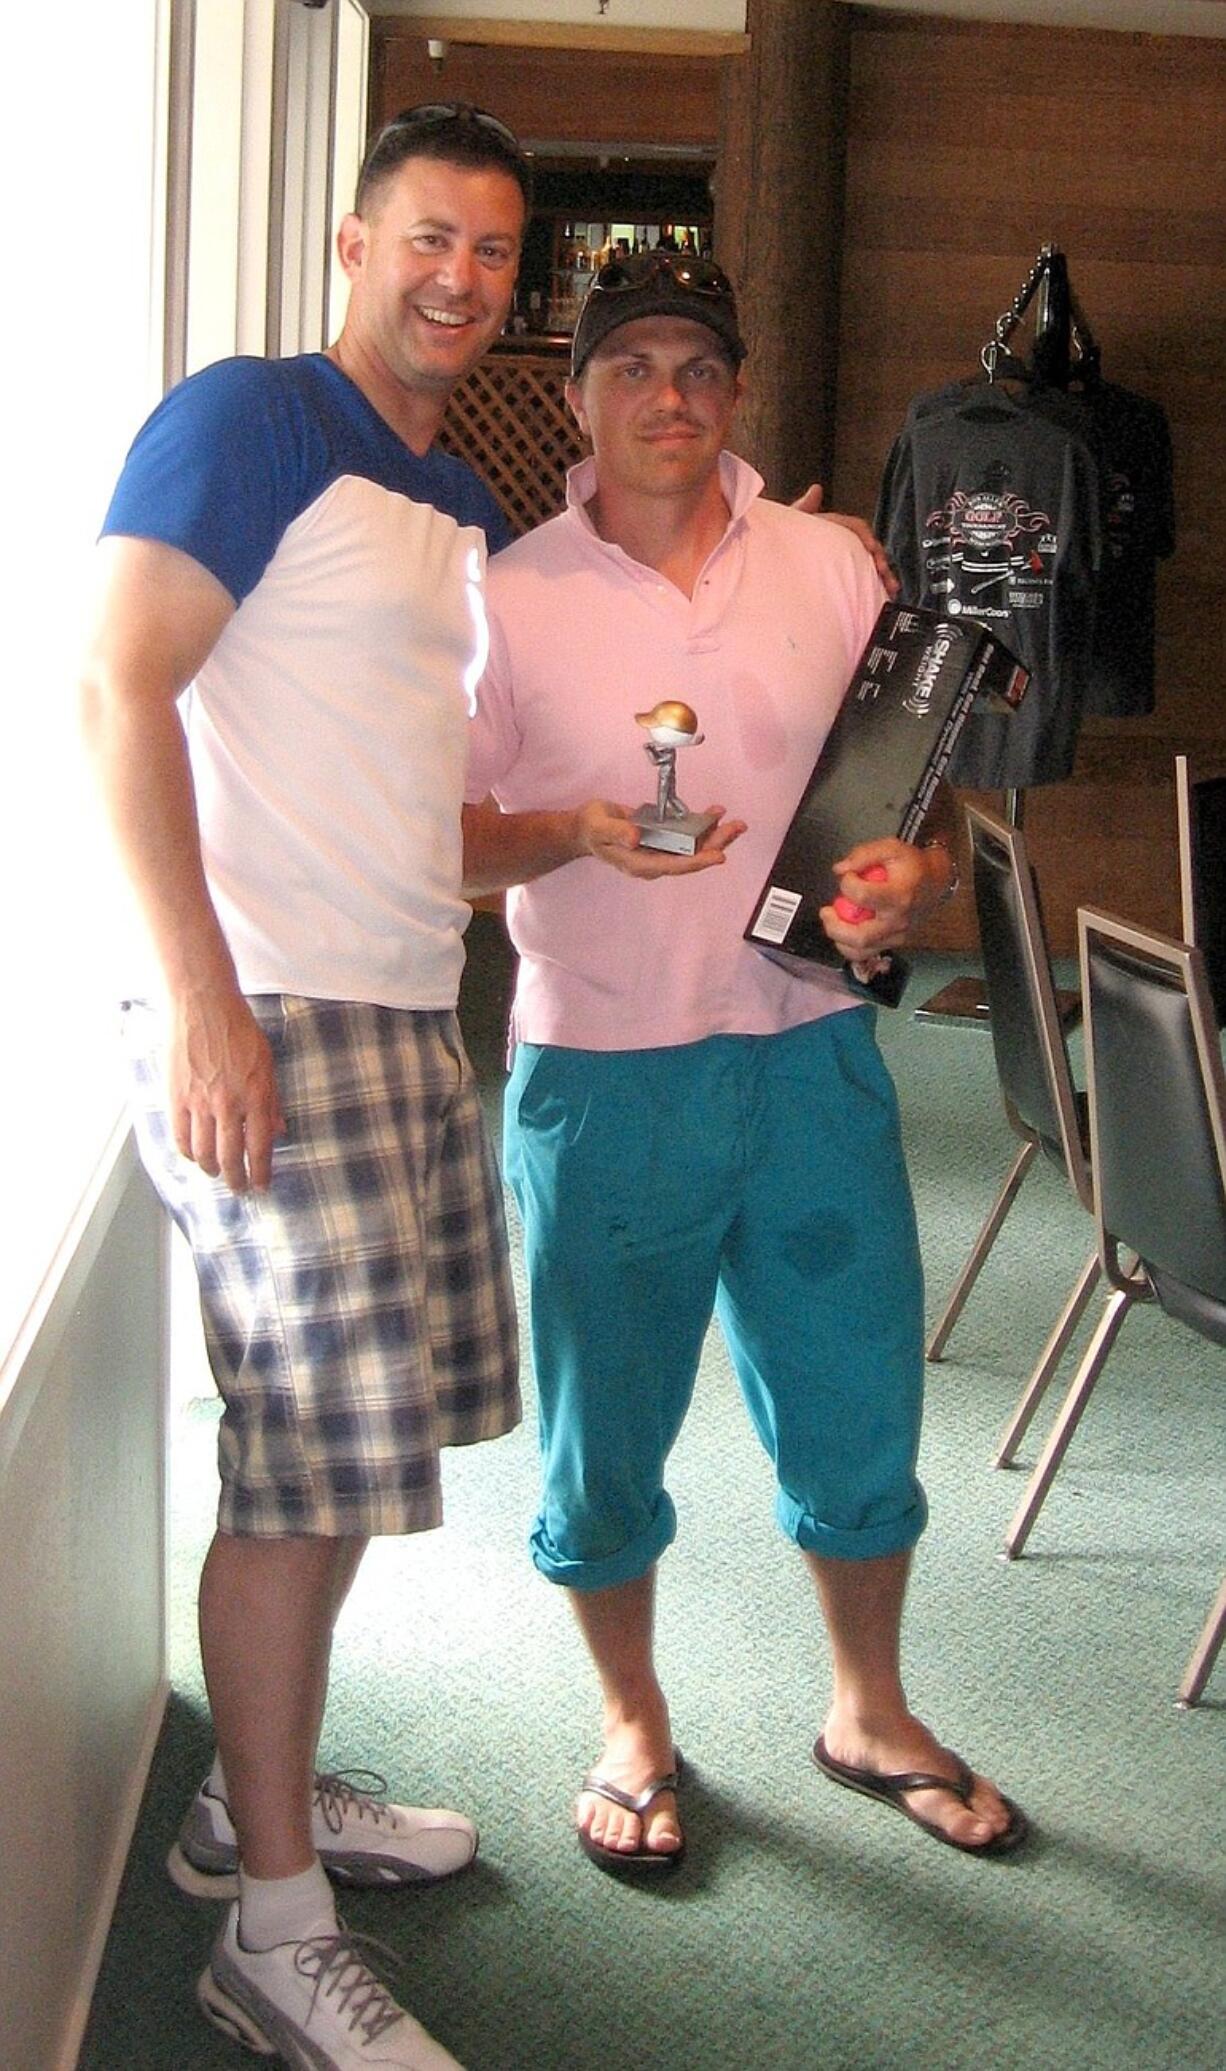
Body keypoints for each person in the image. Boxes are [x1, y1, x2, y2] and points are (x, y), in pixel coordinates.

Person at [461, 250, 1028, 1880]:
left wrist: (912, 874)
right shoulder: (506, 597)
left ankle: (866, 1707)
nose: (668, 398)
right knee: (605, 1422)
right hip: (603, 1070)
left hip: (806, 1053)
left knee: (856, 1401)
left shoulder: (833, 566)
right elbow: (434, 841)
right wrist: (571, 830)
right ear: (576, 395)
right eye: (629, 367)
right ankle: (632, 1721)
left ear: (733, 394)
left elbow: (914, 796)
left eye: (698, 369)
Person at [80, 104, 534, 2071]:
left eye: (495, 253)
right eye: (430, 236)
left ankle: (238, 1800)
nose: (460, 277)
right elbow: (115, 682)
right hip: (264, 1009)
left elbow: (412, 801)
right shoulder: (250, 414)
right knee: (298, 1474)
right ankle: (270, 1931)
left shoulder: (453, 509)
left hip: (399, 1010)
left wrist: (592, 827)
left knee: (355, 1457)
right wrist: (198, 998)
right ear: (355, 244)